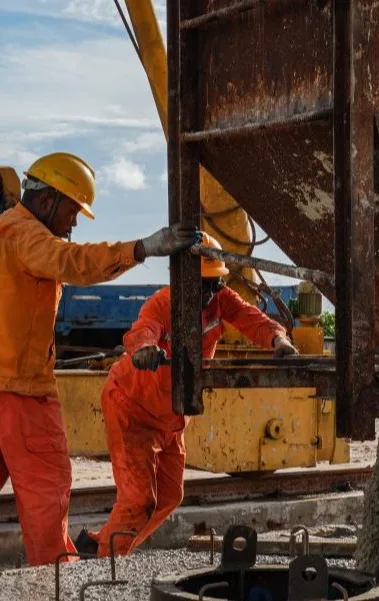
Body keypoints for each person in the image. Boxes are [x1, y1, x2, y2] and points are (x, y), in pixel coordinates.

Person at [0, 152, 199, 566]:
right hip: (22, 396)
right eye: (72, 211)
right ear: (47, 200)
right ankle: (52, 585)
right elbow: (71, 261)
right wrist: (141, 249)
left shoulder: (5, 231)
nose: (73, 224)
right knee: (46, 495)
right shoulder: (25, 234)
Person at [74, 232, 299, 557]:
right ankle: (104, 559)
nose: (208, 293)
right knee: (139, 500)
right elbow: (143, 330)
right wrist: (145, 349)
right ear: (181, 281)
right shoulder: (163, 304)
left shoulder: (220, 300)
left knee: (168, 496)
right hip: (132, 410)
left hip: (172, 415)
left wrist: (279, 340)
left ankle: (98, 549)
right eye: (201, 285)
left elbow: (251, 318)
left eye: (212, 284)